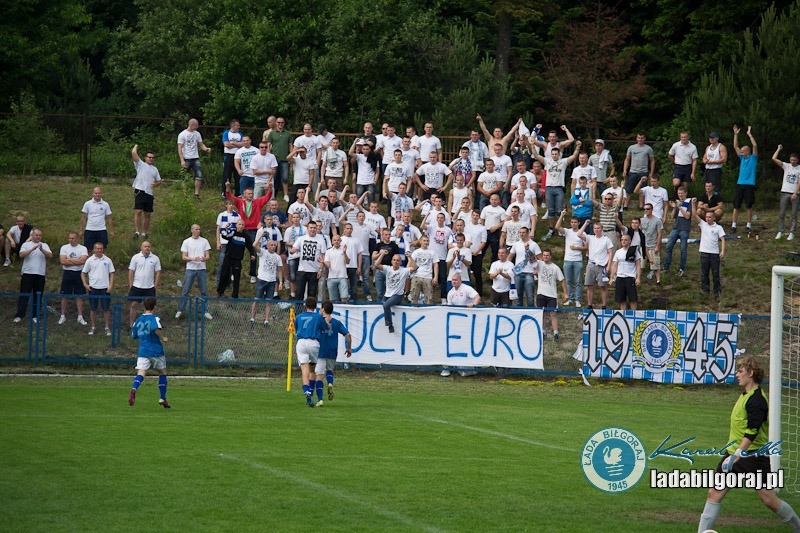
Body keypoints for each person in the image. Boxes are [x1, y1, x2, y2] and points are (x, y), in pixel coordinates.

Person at [697, 356, 800, 533]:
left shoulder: (757, 400)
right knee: (714, 493)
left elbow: (751, 432)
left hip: (753, 457)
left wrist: (736, 455)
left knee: (769, 499)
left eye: (740, 371)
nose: (737, 374)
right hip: (734, 455)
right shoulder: (745, 395)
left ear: (750, 373)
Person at [534, 142, 582, 240]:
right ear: (551, 155)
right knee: (551, 210)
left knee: (560, 211)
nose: (555, 156)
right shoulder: (547, 161)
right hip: (549, 188)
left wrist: (577, 147)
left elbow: (574, 156)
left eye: (556, 154)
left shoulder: (563, 162)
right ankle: (551, 229)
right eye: (553, 154)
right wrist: (531, 145)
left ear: (559, 154)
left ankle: (560, 229)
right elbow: (536, 155)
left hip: (559, 188)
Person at [128, 297, 171, 409]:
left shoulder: (138, 320)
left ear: (144, 307)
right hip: (155, 350)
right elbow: (155, 329)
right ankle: (162, 398)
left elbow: (134, 335)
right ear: (154, 307)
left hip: (143, 351)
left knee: (141, 373)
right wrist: (163, 338)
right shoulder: (154, 318)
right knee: (162, 373)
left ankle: (134, 388)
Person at [225, 183, 272, 284]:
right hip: (242, 229)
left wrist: (270, 188)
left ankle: (253, 274)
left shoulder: (257, 202)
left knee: (253, 252)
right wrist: (228, 187)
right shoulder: (240, 202)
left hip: (253, 230)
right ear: (244, 195)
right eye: (249, 193)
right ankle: (234, 271)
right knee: (236, 251)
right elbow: (229, 196)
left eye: (251, 193)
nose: (251, 195)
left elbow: (267, 197)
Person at [314, 300, 352, 406]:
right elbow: (348, 335)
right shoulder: (336, 322)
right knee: (329, 370)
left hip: (321, 351)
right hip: (332, 350)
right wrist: (349, 348)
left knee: (319, 376)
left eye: (321, 308)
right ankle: (330, 383)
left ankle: (320, 400)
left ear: (323, 309)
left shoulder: (319, 321)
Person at [294, 297, 328, 407]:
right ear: (315, 306)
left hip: (302, 342)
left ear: (305, 305)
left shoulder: (299, 316)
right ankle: (311, 392)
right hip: (313, 343)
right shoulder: (318, 317)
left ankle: (307, 391)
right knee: (312, 369)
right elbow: (325, 328)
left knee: (304, 368)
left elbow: (296, 328)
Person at [13, 228, 52, 323]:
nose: (38, 237)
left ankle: (35, 315)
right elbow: (21, 255)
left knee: (38, 295)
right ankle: (20, 315)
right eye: (36, 235)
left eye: (40, 235)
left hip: (40, 274)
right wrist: (32, 249)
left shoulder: (44, 245)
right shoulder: (26, 244)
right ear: (32, 236)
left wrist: (42, 250)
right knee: (24, 294)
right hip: (27, 273)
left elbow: (50, 255)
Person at [176, 224, 213, 320]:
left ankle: (206, 311)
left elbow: (208, 255)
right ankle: (180, 309)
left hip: (201, 268)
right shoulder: (186, 242)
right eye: (196, 229)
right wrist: (193, 258)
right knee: (186, 290)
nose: (198, 231)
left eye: (199, 229)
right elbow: (184, 257)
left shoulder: (204, 241)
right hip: (190, 268)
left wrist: (205, 258)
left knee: (204, 291)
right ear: (192, 230)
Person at [692, 198, 725, 299]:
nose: (708, 219)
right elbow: (694, 214)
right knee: (704, 273)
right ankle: (705, 290)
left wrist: (722, 250)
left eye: (710, 217)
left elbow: (723, 239)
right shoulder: (703, 225)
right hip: (704, 253)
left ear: (714, 218)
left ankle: (717, 291)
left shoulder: (718, 227)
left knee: (715, 273)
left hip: (714, 253)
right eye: (706, 217)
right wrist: (693, 204)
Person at [81, 242, 115, 335]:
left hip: (105, 288)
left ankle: (107, 327)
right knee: (93, 308)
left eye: (101, 248)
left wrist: (111, 285)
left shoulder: (108, 260)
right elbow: (83, 273)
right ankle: (93, 327)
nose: (99, 250)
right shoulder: (90, 260)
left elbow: (112, 273)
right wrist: (85, 284)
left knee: (106, 309)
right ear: (94, 249)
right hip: (93, 288)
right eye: (98, 248)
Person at [578, 221, 613, 310]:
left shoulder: (606, 239)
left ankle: (604, 306)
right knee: (589, 286)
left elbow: (610, 253)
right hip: (591, 264)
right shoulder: (590, 238)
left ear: (601, 229)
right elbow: (579, 234)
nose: (597, 230)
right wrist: (585, 224)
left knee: (603, 286)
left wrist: (609, 266)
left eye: (598, 228)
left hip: (602, 266)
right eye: (595, 228)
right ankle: (589, 305)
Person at [556, 211, 587, 307]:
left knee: (578, 281)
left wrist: (577, 248)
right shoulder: (567, 231)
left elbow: (586, 247)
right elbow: (557, 227)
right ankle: (570, 298)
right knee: (568, 280)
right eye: (572, 222)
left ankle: (578, 299)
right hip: (567, 260)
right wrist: (561, 215)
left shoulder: (582, 233)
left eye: (575, 222)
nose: (573, 224)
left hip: (578, 260)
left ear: (578, 223)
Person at [217, 219, 256, 299]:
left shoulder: (245, 236)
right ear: (237, 225)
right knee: (224, 274)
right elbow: (224, 235)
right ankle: (220, 292)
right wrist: (225, 227)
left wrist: (252, 254)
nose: (241, 226)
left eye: (242, 225)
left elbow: (250, 246)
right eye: (239, 224)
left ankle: (235, 296)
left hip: (237, 259)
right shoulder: (232, 233)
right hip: (228, 257)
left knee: (237, 277)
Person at [731, 125, 758, 234]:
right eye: (741, 152)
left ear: (748, 151)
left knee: (748, 206)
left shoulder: (753, 158)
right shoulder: (742, 158)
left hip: (749, 185)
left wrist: (749, 134)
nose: (741, 153)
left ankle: (748, 224)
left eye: (743, 151)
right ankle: (733, 225)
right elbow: (735, 146)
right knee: (736, 205)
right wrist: (736, 134)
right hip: (740, 184)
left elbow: (755, 145)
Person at [535, 250, 567, 341]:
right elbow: (531, 260)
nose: (545, 257)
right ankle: (543, 332)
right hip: (541, 293)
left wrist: (565, 293)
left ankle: (555, 333)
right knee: (542, 313)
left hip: (551, 295)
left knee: (553, 314)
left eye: (547, 255)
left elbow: (562, 280)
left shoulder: (555, 268)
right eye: (544, 255)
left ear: (550, 256)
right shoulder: (539, 264)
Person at [128, 241, 161, 328]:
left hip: (149, 287)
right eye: (145, 246)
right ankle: (132, 324)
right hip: (136, 286)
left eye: (148, 246)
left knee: (149, 308)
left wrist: (155, 286)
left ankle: (146, 325)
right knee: (133, 305)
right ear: (141, 248)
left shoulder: (155, 258)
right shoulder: (135, 257)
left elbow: (158, 272)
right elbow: (131, 271)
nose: (147, 248)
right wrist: (131, 285)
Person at [291, 220, 327, 299]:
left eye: (314, 228)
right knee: (299, 292)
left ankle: (310, 310)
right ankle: (299, 310)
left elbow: (323, 255)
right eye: (311, 228)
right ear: (307, 228)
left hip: (314, 270)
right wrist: (293, 250)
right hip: (302, 269)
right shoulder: (301, 238)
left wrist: (321, 269)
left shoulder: (321, 240)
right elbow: (294, 248)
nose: (313, 229)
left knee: (312, 294)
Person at [58, 232, 88, 325]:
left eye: (73, 238)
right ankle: (62, 315)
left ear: (77, 238)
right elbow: (63, 261)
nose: (71, 240)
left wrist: (69, 260)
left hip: (78, 273)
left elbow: (83, 261)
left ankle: (80, 316)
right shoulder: (64, 247)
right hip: (67, 273)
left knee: (79, 295)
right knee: (65, 295)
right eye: (70, 238)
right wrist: (76, 261)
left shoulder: (83, 248)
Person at [177, 118, 212, 199]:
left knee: (199, 176)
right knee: (185, 177)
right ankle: (185, 194)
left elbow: (201, 144)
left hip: (196, 158)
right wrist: (182, 160)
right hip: (186, 158)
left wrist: (206, 149)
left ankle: (196, 194)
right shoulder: (182, 134)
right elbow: (179, 148)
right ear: (191, 125)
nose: (197, 127)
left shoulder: (197, 134)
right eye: (196, 125)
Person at [380, 253, 414, 333]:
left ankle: (389, 324)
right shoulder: (388, 268)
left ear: (400, 262)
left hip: (397, 295)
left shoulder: (404, 270)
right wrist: (382, 254)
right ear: (391, 261)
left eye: (398, 260)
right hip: (387, 294)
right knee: (381, 305)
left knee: (386, 305)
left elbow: (415, 267)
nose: (396, 262)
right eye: (394, 260)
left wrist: (410, 257)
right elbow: (377, 264)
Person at [251, 238, 283, 324]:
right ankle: (252, 318)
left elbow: (279, 270)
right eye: (271, 245)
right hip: (262, 279)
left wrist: (280, 282)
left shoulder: (277, 257)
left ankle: (266, 320)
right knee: (257, 300)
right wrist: (261, 235)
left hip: (272, 281)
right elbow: (254, 245)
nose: (273, 247)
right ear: (267, 246)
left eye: (274, 245)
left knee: (269, 301)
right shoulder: (263, 252)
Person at [508, 226, 542, 307]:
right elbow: (510, 257)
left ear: (528, 233)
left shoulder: (533, 244)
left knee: (530, 296)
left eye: (523, 232)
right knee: (518, 297)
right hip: (518, 272)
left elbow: (540, 258)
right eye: (520, 232)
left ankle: (531, 313)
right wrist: (508, 268)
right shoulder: (516, 244)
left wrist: (538, 270)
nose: (521, 234)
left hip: (529, 273)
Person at [131, 145, 160, 238]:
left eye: (152, 158)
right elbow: (133, 153)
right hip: (140, 190)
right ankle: (137, 232)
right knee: (138, 211)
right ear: (146, 158)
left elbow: (159, 181)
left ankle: (144, 233)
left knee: (147, 213)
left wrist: (155, 184)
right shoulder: (141, 164)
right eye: (149, 157)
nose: (151, 159)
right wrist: (136, 146)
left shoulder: (155, 169)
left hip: (149, 193)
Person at [772, 145, 800, 240]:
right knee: (782, 213)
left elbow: (799, 182)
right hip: (784, 192)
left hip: (794, 193)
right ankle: (780, 231)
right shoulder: (786, 166)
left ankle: (792, 232)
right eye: (791, 160)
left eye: (794, 160)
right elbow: (774, 158)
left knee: (793, 214)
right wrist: (778, 149)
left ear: (797, 160)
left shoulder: (799, 168)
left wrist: (795, 193)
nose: (792, 162)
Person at [663, 188, 693, 276]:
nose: (680, 195)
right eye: (679, 193)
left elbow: (687, 216)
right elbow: (672, 216)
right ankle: (666, 266)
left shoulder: (689, 202)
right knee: (668, 247)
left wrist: (680, 207)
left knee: (683, 250)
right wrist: (674, 207)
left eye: (682, 193)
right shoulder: (677, 203)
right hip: (676, 228)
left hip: (684, 229)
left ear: (686, 193)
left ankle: (681, 268)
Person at [622, 132, 656, 210]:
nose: (640, 139)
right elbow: (627, 159)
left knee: (642, 190)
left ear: (644, 139)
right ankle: (625, 205)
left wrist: (651, 173)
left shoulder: (648, 148)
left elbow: (652, 161)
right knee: (628, 190)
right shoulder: (631, 148)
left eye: (642, 138)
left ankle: (641, 206)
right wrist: (624, 170)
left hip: (643, 172)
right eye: (639, 138)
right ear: (636, 138)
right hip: (632, 171)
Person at [609, 234, 641, 310]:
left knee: (633, 299)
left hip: (630, 278)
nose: (623, 241)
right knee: (621, 300)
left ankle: (633, 315)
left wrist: (638, 277)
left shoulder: (634, 251)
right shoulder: (618, 252)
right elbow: (614, 265)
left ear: (629, 241)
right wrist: (611, 278)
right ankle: (623, 316)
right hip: (620, 278)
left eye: (625, 240)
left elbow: (638, 265)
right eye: (622, 240)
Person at [425, 212, 452, 302]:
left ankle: (443, 298)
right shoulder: (432, 227)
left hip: (442, 256)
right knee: (429, 277)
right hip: (431, 256)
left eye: (442, 218)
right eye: (438, 218)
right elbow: (422, 226)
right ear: (436, 219)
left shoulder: (448, 230)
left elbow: (451, 242)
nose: (440, 219)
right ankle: (427, 296)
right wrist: (426, 216)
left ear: (444, 219)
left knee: (443, 278)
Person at [265, 116, 292, 202]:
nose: (280, 124)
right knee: (273, 178)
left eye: (282, 123)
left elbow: (290, 146)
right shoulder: (272, 133)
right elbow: (268, 145)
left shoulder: (287, 134)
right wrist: (269, 157)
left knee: (284, 178)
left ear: (284, 123)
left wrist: (291, 157)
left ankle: (285, 195)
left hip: (285, 159)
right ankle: (272, 195)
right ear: (276, 123)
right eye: (279, 122)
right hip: (274, 159)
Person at [215, 198, 240, 286]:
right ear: (226, 205)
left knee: (231, 263)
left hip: (233, 243)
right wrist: (218, 242)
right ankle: (219, 283)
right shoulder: (221, 215)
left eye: (232, 204)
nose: (231, 206)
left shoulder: (237, 216)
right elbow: (218, 229)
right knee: (222, 263)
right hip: (224, 242)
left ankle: (227, 283)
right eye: (229, 204)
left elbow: (239, 229)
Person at [372, 228, 400, 303]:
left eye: (389, 234)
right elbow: (373, 257)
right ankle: (379, 307)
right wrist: (380, 254)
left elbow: (397, 258)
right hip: (380, 269)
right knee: (379, 292)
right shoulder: (378, 245)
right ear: (383, 235)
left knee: (388, 292)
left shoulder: (394, 246)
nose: (388, 236)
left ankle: (387, 306)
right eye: (386, 235)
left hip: (389, 270)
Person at [639, 202, 664, 285]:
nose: (646, 210)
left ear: (652, 210)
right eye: (645, 209)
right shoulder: (641, 221)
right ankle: (637, 279)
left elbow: (660, 234)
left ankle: (658, 281)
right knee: (641, 265)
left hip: (653, 246)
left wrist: (658, 246)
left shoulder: (657, 220)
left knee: (656, 265)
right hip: (643, 246)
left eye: (648, 209)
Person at [668, 131, 698, 198]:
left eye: (685, 137)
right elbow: (670, 155)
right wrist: (675, 161)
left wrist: (693, 173)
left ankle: (684, 201)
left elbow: (694, 160)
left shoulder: (693, 147)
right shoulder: (676, 145)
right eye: (682, 137)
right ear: (680, 137)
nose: (683, 139)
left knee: (685, 186)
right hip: (678, 166)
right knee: (676, 183)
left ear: (688, 137)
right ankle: (675, 197)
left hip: (687, 167)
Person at [410, 235, 437, 304]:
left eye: (427, 241)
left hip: (428, 276)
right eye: (424, 241)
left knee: (429, 298)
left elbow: (435, 265)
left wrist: (435, 277)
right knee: (414, 296)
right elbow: (411, 263)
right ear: (420, 241)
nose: (426, 242)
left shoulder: (432, 252)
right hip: (417, 275)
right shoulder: (416, 252)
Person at [324, 234, 350, 304]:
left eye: (338, 240)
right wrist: (323, 263)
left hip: (342, 277)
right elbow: (327, 264)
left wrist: (344, 253)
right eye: (334, 240)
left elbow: (348, 262)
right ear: (332, 242)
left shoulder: (344, 249)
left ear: (340, 241)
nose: (336, 242)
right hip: (331, 277)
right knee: (333, 300)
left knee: (344, 298)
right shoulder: (328, 251)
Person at [221, 119, 244, 197]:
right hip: (228, 155)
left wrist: (233, 143)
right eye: (237, 125)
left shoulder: (240, 134)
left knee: (238, 175)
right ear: (233, 126)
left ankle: (238, 193)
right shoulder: (226, 133)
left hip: (237, 156)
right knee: (227, 175)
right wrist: (237, 145)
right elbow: (226, 144)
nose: (239, 127)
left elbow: (243, 144)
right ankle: (225, 193)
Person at [480, 193, 506, 263]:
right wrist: (481, 229)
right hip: (485, 231)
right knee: (482, 250)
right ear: (490, 200)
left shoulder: (502, 210)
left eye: (495, 200)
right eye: (492, 199)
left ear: (498, 200)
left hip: (495, 232)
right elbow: (482, 219)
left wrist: (496, 227)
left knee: (495, 251)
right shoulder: (486, 208)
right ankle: (478, 265)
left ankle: (493, 266)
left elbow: (504, 221)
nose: (494, 201)